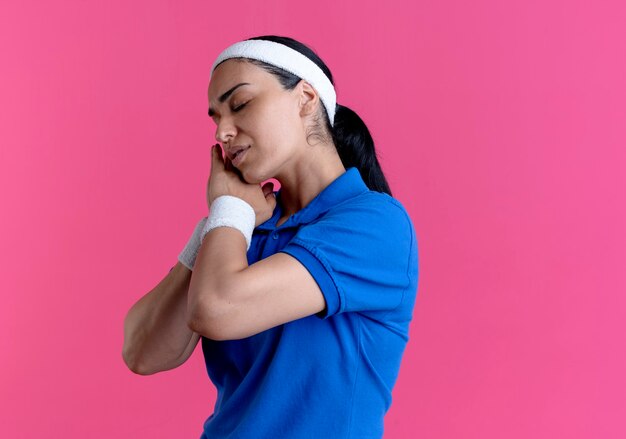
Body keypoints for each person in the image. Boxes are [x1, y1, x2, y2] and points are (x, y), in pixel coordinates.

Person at [124, 35, 419, 439]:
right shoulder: (242, 228)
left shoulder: (375, 224)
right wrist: (220, 224)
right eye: (215, 118)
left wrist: (229, 212)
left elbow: (218, 308)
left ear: (305, 98)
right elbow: (142, 352)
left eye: (240, 105)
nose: (223, 132)